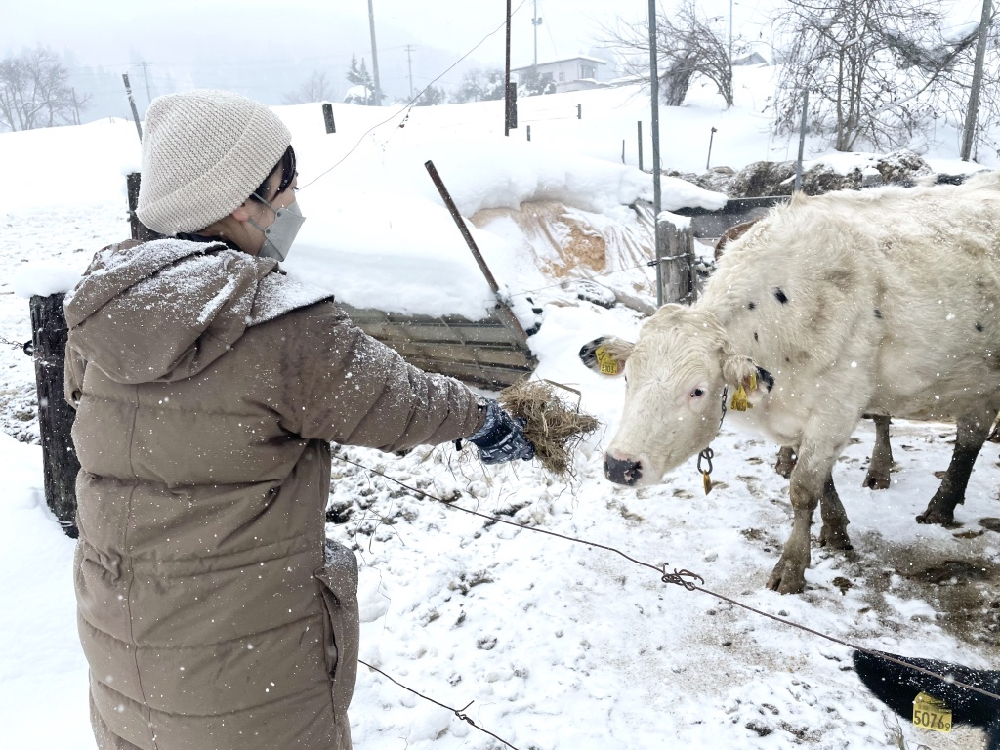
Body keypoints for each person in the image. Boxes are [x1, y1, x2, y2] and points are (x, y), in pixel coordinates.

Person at [63, 89, 534, 750]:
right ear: (238, 200)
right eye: (284, 187)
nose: (291, 205)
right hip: (247, 671)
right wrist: (481, 418)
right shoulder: (274, 319)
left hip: (124, 655)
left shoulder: (101, 308)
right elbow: (392, 399)